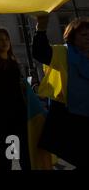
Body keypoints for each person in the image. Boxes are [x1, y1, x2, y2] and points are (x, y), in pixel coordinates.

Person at [33, 15, 89, 168]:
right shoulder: (64, 53)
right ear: (72, 37)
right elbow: (40, 52)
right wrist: (41, 28)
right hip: (71, 117)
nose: (88, 38)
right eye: (84, 35)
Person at [0, 14, 30, 170]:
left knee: (20, 157)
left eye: (7, 39)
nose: (5, 42)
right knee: (4, 161)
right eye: (0, 39)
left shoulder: (13, 62)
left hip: (17, 117)